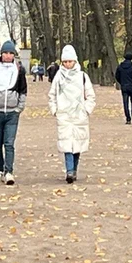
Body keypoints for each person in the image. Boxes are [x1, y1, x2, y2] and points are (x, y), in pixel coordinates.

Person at [48, 44, 95, 183]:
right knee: (67, 144)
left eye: (70, 61)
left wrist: (86, 109)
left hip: (79, 115)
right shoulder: (58, 77)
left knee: (77, 144)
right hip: (64, 115)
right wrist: (55, 110)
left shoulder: (82, 76)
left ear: (75, 61)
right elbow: (52, 95)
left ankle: (74, 169)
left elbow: (90, 96)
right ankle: (69, 171)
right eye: (65, 62)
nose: (68, 64)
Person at [0, 40, 27, 185]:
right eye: (5, 53)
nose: (8, 55)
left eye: (10, 53)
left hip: (12, 113)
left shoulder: (19, 69)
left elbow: (23, 90)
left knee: (9, 143)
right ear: (1, 54)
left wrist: (19, 108)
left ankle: (9, 171)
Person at [114, 51, 132, 125]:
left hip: (124, 87)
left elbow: (117, 76)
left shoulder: (120, 67)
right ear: (131, 58)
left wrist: (121, 82)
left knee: (125, 102)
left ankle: (128, 118)